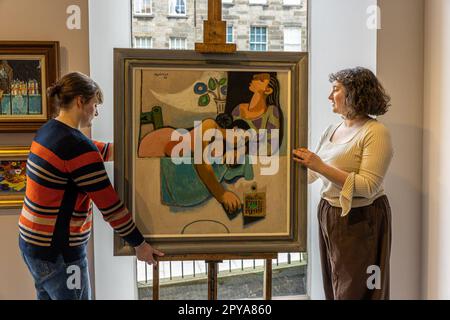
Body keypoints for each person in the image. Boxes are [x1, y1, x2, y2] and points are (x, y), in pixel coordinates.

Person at [18, 72, 164, 300]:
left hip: (32, 245)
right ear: (80, 101)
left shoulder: (49, 131)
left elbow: (94, 151)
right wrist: (140, 244)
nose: (96, 112)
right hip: (61, 253)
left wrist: (141, 147)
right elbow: (111, 207)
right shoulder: (77, 147)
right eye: (94, 105)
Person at [293, 67, 393, 300]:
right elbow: (312, 174)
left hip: (362, 218)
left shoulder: (376, 132)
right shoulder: (333, 129)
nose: (330, 96)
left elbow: (368, 185)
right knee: (335, 282)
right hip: (329, 213)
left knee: (359, 289)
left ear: (354, 94)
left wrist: (319, 165)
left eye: (335, 89)